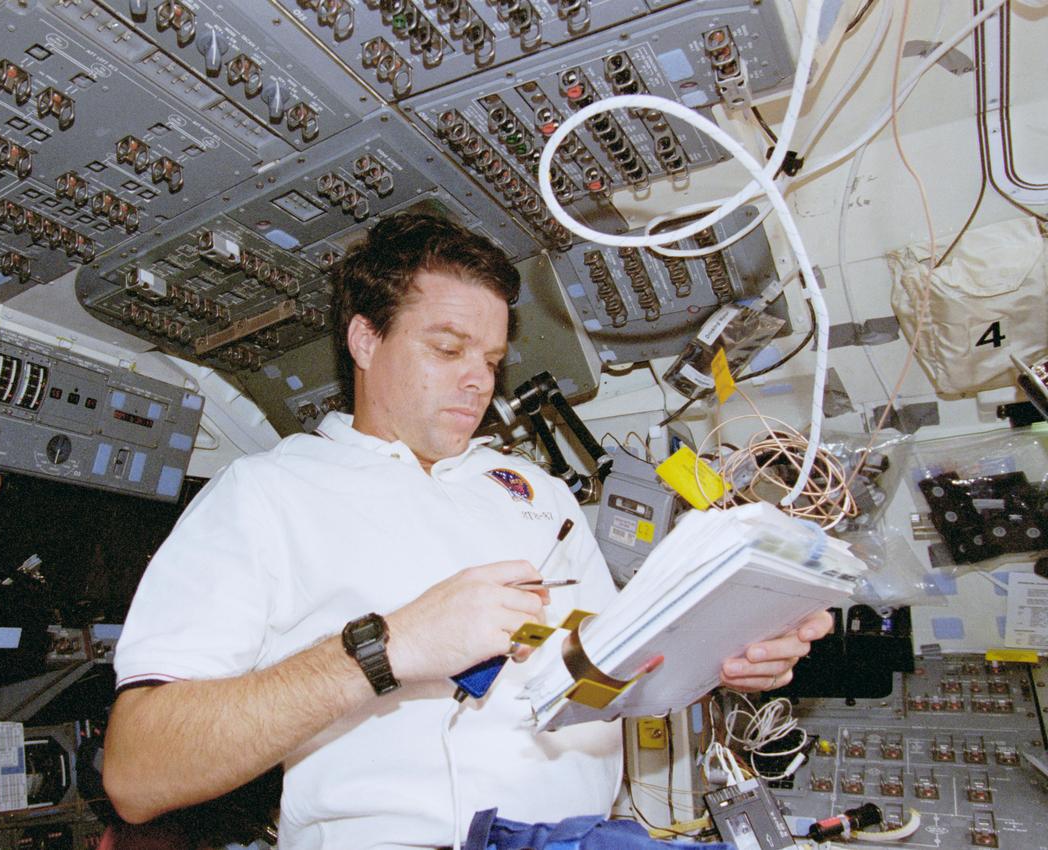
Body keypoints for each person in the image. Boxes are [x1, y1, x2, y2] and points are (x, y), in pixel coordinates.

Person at [103, 213, 833, 849]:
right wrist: (386, 650)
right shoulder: (267, 493)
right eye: (448, 350)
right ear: (365, 340)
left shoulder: (540, 495)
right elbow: (138, 772)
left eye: (489, 360)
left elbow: (606, 679)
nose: (479, 381)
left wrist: (717, 654)